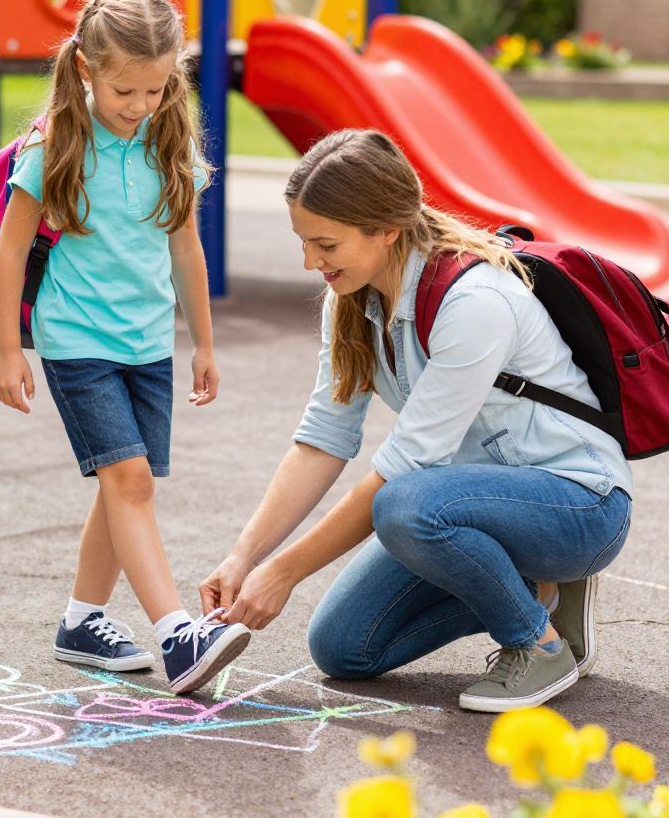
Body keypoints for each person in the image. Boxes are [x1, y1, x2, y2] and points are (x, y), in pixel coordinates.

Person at [202, 129, 633, 712]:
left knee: (403, 505)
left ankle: (538, 645)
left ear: (386, 229)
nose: (309, 262)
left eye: (326, 244)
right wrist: (244, 557)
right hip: (471, 507)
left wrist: (283, 573)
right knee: (344, 649)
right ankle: (539, 592)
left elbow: (404, 469)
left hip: (579, 507)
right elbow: (323, 441)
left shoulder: (475, 302)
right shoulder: (351, 299)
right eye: (303, 242)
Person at [0, 0, 250, 694]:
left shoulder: (169, 143)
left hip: (147, 343)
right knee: (129, 480)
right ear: (86, 69)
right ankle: (178, 636)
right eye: (123, 90)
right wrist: (8, 349)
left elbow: (186, 247)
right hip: (77, 340)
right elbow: (11, 250)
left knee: (122, 487)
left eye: (155, 90)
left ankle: (81, 622)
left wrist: (203, 343)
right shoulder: (57, 145)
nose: (139, 105)